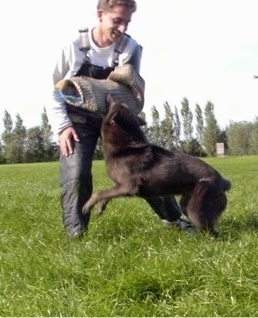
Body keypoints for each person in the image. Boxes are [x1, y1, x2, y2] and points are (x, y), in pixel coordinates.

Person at [49, 0, 193, 237]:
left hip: (116, 117)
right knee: (76, 174)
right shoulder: (74, 46)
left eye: (127, 22)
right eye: (117, 21)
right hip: (78, 119)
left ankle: (174, 219)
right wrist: (63, 126)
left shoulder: (130, 48)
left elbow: (128, 91)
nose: (123, 28)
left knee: (148, 166)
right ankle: (76, 233)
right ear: (100, 15)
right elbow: (53, 87)